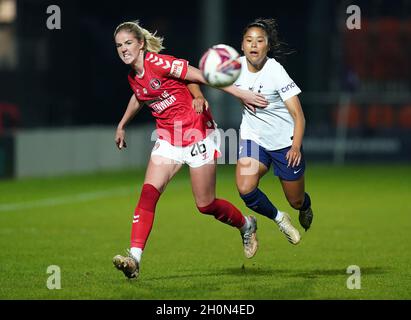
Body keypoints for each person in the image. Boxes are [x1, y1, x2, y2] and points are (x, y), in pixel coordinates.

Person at [111, 20, 268, 279]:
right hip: (168, 139)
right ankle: (134, 260)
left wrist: (239, 93)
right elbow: (140, 95)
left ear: (140, 44)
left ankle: (246, 224)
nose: (124, 49)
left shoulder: (159, 63)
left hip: (198, 134)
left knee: (205, 204)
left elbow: (201, 76)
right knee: (148, 195)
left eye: (128, 43)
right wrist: (122, 124)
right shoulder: (133, 76)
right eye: (119, 45)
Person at [233, 18, 314, 245]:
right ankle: (280, 219)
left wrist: (296, 145)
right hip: (253, 139)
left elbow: (298, 115)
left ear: (267, 46)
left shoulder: (275, 71)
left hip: (284, 143)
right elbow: (207, 77)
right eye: (249, 40)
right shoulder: (234, 67)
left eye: (260, 41)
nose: (254, 45)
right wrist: (237, 94)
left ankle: (304, 207)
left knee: (295, 200)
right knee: (245, 188)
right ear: (242, 45)